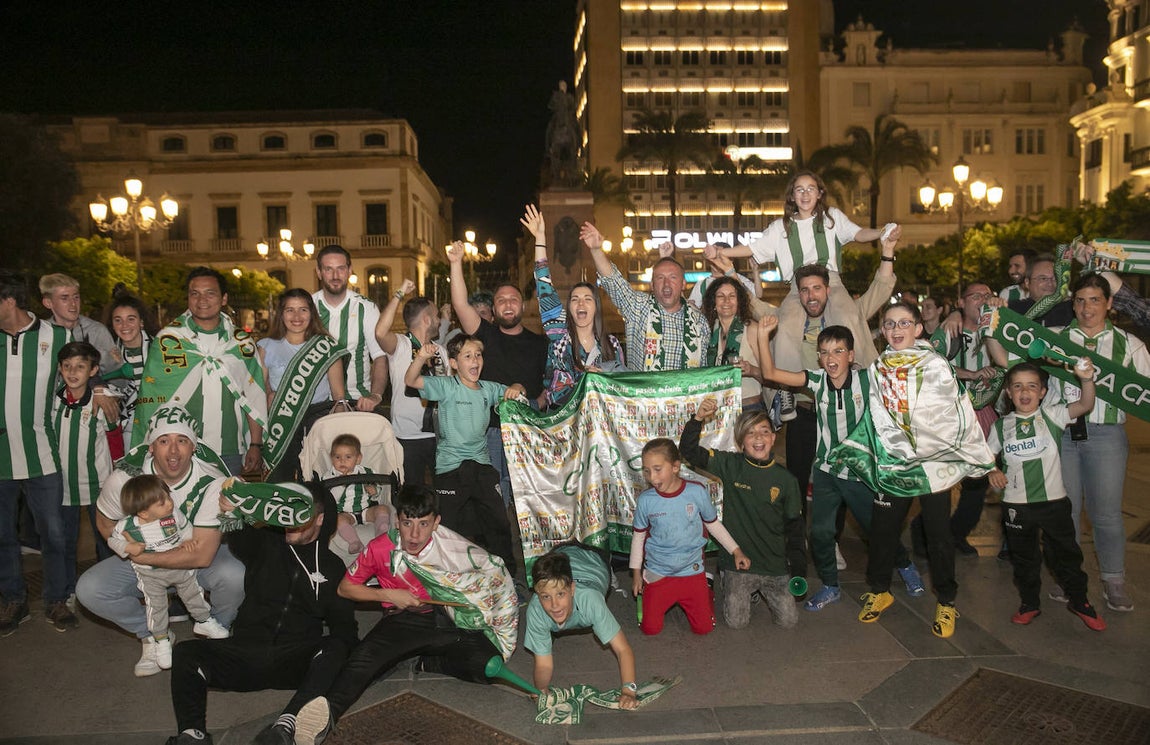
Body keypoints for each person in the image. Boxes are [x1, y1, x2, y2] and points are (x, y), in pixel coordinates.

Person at [292, 485, 518, 745]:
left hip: (449, 618)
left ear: (436, 523)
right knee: (362, 662)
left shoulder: (449, 545)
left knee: (486, 667)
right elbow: (345, 588)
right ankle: (324, 718)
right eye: (407, 523)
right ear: (397, 520)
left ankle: (427, 662)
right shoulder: (380, 547)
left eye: (424, 524)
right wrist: (388, 595)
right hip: (404, 618)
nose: (414, 534)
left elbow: (490, 571)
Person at [832, 301, 994, 638]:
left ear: (918, 328)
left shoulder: (936, 365)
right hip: (894, 463)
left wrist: (972, 454)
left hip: (933, 464)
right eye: (890, 324)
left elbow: (957, 411)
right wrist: (870, 453)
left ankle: (947, 601)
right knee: (882, 532)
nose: (896, 330)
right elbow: (875, 416)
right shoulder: (879, 367)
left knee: (937, 536)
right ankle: (880, 591)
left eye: (904, 323)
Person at [167, 486, 358, 745]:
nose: (292, 517)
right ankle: (193, 734)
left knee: (335, 647)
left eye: (302, 511)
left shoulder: (332, 566)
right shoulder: (266, 542)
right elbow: (240, 533)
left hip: (293, 659)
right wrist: (233, 510)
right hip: (245, 652)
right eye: (289, 509)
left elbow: (344, 627)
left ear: (321, 519)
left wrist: (352, 659)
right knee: (185, 652)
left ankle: (286, 727)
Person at [756, 318, 924, 612]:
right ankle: (831, 586)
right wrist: (761, 335)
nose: (830, 358)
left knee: (877, 529)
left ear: (851, 355)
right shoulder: (816, 381)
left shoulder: (867, 379)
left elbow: (905, 369)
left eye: (837, 351)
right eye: (824, 352)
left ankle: (905, 564)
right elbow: (769, 373)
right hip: (825, 472)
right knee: (820, 532)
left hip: (859, 473)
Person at [76, 405, 246, 676]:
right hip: (145, 560)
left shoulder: (212, 480)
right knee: (90, 589)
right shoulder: (126, 478)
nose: (174, 451)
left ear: (194, 446)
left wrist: (145, 557)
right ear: (151, 447)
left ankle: (217, 629)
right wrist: (126, 545)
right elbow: (104, 521)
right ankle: (155, 635)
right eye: (164, 441)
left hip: (191, 559)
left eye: (182, 441)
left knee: (234, 574)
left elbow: (202, 555)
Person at [708, 170, 897, 373]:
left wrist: (882, 233)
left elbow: (858, 233)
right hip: (797, 288)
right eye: (800, 190)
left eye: (810, 189)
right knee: (785, 326)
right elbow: (752, 248)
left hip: (831, 282)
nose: (805, 194)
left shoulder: (831, 218)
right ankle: (786, 386)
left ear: (819, 194)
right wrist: (720, 252)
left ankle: (863, 371)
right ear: (792, 196)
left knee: (848, 316)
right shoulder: (779, 228)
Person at [769, 232, 897, 506]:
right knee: (796, 482)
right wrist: (730, 271)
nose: (811, 295)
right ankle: (797, 543)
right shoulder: (788, 321)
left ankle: (835, 542)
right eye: (804, 290)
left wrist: (887, 250)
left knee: (842, 482)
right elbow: (753, 308)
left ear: (828, 290)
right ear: (798, 294)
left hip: (844, 415)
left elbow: (882, 286)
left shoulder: (852, 313)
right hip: (803, 414)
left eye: (817, 288)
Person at [1053, 274, 1150, 612]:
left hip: (1107, 437)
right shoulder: (1055, 340)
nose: (1086, 307)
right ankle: (1070, 580)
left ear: (1109, 304)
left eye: (1095, 300)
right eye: (1080, 300)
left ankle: (1114, 581)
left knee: (1106, 514)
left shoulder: (1130, 345)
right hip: (1064, 435)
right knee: (1065, 513)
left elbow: (1145, 394)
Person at [986, 362, 1106, 631]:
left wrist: (1086, 379)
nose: (1024, 391)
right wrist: (992, 470)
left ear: (1042, 392)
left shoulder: (1053, 415)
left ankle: (1079, 600)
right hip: (1016, 506)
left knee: (1066, 554)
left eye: (1031, 386)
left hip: (1054, 503)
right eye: (1017, 386)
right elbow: (985, 458)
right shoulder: (1001, 426)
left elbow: (1085, 404)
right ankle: (1030, 603)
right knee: (1024, 559)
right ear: (1008, 392)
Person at [405, 335, 524, 576]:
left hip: (481, 465)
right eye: (467, 356)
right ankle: (444, 575)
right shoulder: (447, 386)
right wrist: (421, 358)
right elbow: (411, 380)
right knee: (447, 526)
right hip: (450, 468)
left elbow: (518, 389)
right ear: (454, 363)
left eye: (478, 355)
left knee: (499, 523)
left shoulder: (488, 389)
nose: (475, 360)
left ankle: (509, 577)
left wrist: (515, 389)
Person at [678, 400, 801, 629]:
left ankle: (759, 590)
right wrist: (697, 419)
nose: (758, 438)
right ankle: (727, 579)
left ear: (773, 438)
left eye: (764, 432)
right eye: (750, 433)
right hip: (739, 563)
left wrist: (799, 570)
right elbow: (689, 451)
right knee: (736, 623)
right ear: (741, 441)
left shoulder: (787, 480)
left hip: (773, 565)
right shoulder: (730, 464)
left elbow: (795, 527)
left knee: (789, 622)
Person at [132, 267, 266, 477]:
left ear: (224, 299)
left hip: (228, 449)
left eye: (210, 293)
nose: (201, 299)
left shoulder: (241, 343)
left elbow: (253, 395)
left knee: (224, 508)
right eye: (195, 293)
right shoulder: (168, 341)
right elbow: (151, 398)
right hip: (178, 450)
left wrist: (256, 444)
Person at [0, 270, 75, 636]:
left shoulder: (57, 336)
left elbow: (76, 380)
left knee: (54, 535)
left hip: (42, 454)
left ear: (9, 301)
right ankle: (14, 601)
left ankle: (56, 600)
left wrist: (103, 394)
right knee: (3, 537)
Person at [447, 238, 548, 506]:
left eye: (513, 299)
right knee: (493, 492)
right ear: (494, 309)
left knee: (528, 493)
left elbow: (552, 385)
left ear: (522, 306)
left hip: (528, 428)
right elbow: (460, 305)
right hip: (489, 430)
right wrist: (456, 263)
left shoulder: (540, 343)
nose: (507, 305)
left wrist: (538, 402)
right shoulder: (486, 336)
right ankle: (502, 543)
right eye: (501, 300)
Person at [630, 438, 749, 636]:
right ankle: (649, 596)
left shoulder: (696, 492)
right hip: (658, 572)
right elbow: (638, 537)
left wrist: (736, 551)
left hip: (691, 570)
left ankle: (706, 586)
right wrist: (635, 573)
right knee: (650, 629)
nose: (651, 477)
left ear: (676, 467)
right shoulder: (645, 500)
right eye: (646, 470)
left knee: (704, 629)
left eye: (658, 469)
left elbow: (713, 525)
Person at [114, 474, 230, 671]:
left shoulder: (173, 514)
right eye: (162, 503)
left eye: (168, 497)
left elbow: (185, 526)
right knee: (156, 608)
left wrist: (187, 539)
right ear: (143, 513)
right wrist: (126, 547)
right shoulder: (126, 526)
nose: (169, 504)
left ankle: (203, 620)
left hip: (179, 568)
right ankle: (161, 640)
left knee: (193, 593)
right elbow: (113, 540)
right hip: (151, 575)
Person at [919, 282, 998, 557]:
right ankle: (925, 536)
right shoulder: (950, 330)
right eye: (976, 296)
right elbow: (931, 366)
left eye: (987, 295)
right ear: (962, 303)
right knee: (941, 479)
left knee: (978, 480)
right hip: (951, 413)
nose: (982, 300)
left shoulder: (997, 328)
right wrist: (972, 374)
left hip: (986, 411)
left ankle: (956, 534)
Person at [522, 204, 625, 409]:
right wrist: (540, 238)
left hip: (600, 424)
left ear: (596, 307)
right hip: (563, 422)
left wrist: (603, 377)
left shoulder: (612, 344)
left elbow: (622, 386)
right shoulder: (559, 335)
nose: (580, 303)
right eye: (575, 299)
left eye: (587, 298)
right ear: (568, 308)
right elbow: (544, 285)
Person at [582, 222, 710, 371]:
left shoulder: (699, 321)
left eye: (673, 278)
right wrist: (596, 250)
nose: (666, 284)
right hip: (643, 394)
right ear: (652, 285)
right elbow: (614, 281)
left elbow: (703, 374)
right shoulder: (639, 307)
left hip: (685, 394)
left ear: (683, 284)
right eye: (660, 278)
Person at [525, 545, 638, 708]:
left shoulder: (591, 600)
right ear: (536, 593)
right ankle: (563, 553)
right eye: (545, 597)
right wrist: (540, 689)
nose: (554, 605)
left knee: (601, 579)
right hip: (560, 551)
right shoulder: (535, 609)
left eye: (560, 594)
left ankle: (610, 571)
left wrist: (629, 691)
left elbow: (623, 649)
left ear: (571, 589)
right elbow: (543, 664)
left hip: (595, 559)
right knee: (555, 566)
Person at [53, 341, 123, 596]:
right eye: (67, 366)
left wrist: (119, 475)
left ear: (93, 371)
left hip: (99, 485)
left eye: (80, 367)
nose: (73, 372)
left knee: (105, 540)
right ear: (60, 369)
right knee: (66, 542)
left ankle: (108, 589)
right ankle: (69, 591)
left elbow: (115, 440)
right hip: (64, 486)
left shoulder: (102, 402)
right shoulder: (55, 400)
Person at [257, 289, 348, 481]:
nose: (296, 316)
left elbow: (339, 395)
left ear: (311, 314)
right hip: (281, 423)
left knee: (315, 484)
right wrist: (269, 394)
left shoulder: (327, 346)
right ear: (281, 314)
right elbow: (259, 389)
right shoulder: (266, 346)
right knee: (280, 485)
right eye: (290, 310)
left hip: (316, 422)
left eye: (303, 310)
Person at [376, 278, 450, 486]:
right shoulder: (401, 345)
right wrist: (399, 292)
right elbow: (380, 332)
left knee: (444, 494)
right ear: (427, 319)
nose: (439, 320)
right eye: (436, 316)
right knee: (411, 498)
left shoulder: (441, 351)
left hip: (439, 436)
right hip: (406, 438)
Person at [312, 245, 388, 412]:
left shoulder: (366, 308)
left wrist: (375, 396)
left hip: (357, 401)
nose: (335, 276)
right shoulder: (308, 308)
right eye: (328, 269)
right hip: (315, 403)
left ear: (349, 270)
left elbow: (379, 357)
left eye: (341, 268)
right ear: (318, 272)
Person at [701, 276, 765, 410]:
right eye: (720, 296)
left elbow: (770, 376)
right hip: (718, 411)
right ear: (713, 302)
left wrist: (751, 370)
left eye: (732, 296)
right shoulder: (707, 332)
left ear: (739, 301)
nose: (726, 301)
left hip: (749, 408)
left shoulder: (752, 329)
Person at [102, 291, 156, 447]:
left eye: (131, 319)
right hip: (126, 430)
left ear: (141, 322)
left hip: (159, 426)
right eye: (118, 320)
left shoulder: (160, 349)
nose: (124, 326)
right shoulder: (107, 355)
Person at [39, 272, 116, 371]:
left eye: (76, 297)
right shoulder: (41, 333)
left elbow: (121, 381)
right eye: (64, 298)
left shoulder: (97, 331)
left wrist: (101, 357)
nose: (73, 304)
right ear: (48, 303)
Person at [325, 434, 387, 555]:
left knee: (382, 509)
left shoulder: (367, 472)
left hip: (366, 509)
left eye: (348, 457)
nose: (342, 461)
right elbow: (330, 498)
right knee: (338, 520)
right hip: (344, 513)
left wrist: (374, 491)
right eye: (337, 457)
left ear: (358, 458)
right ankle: (354, 542)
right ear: (331, 458)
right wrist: (341, 483)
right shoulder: (329, 476)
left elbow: (378, 490)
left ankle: (381, 533)